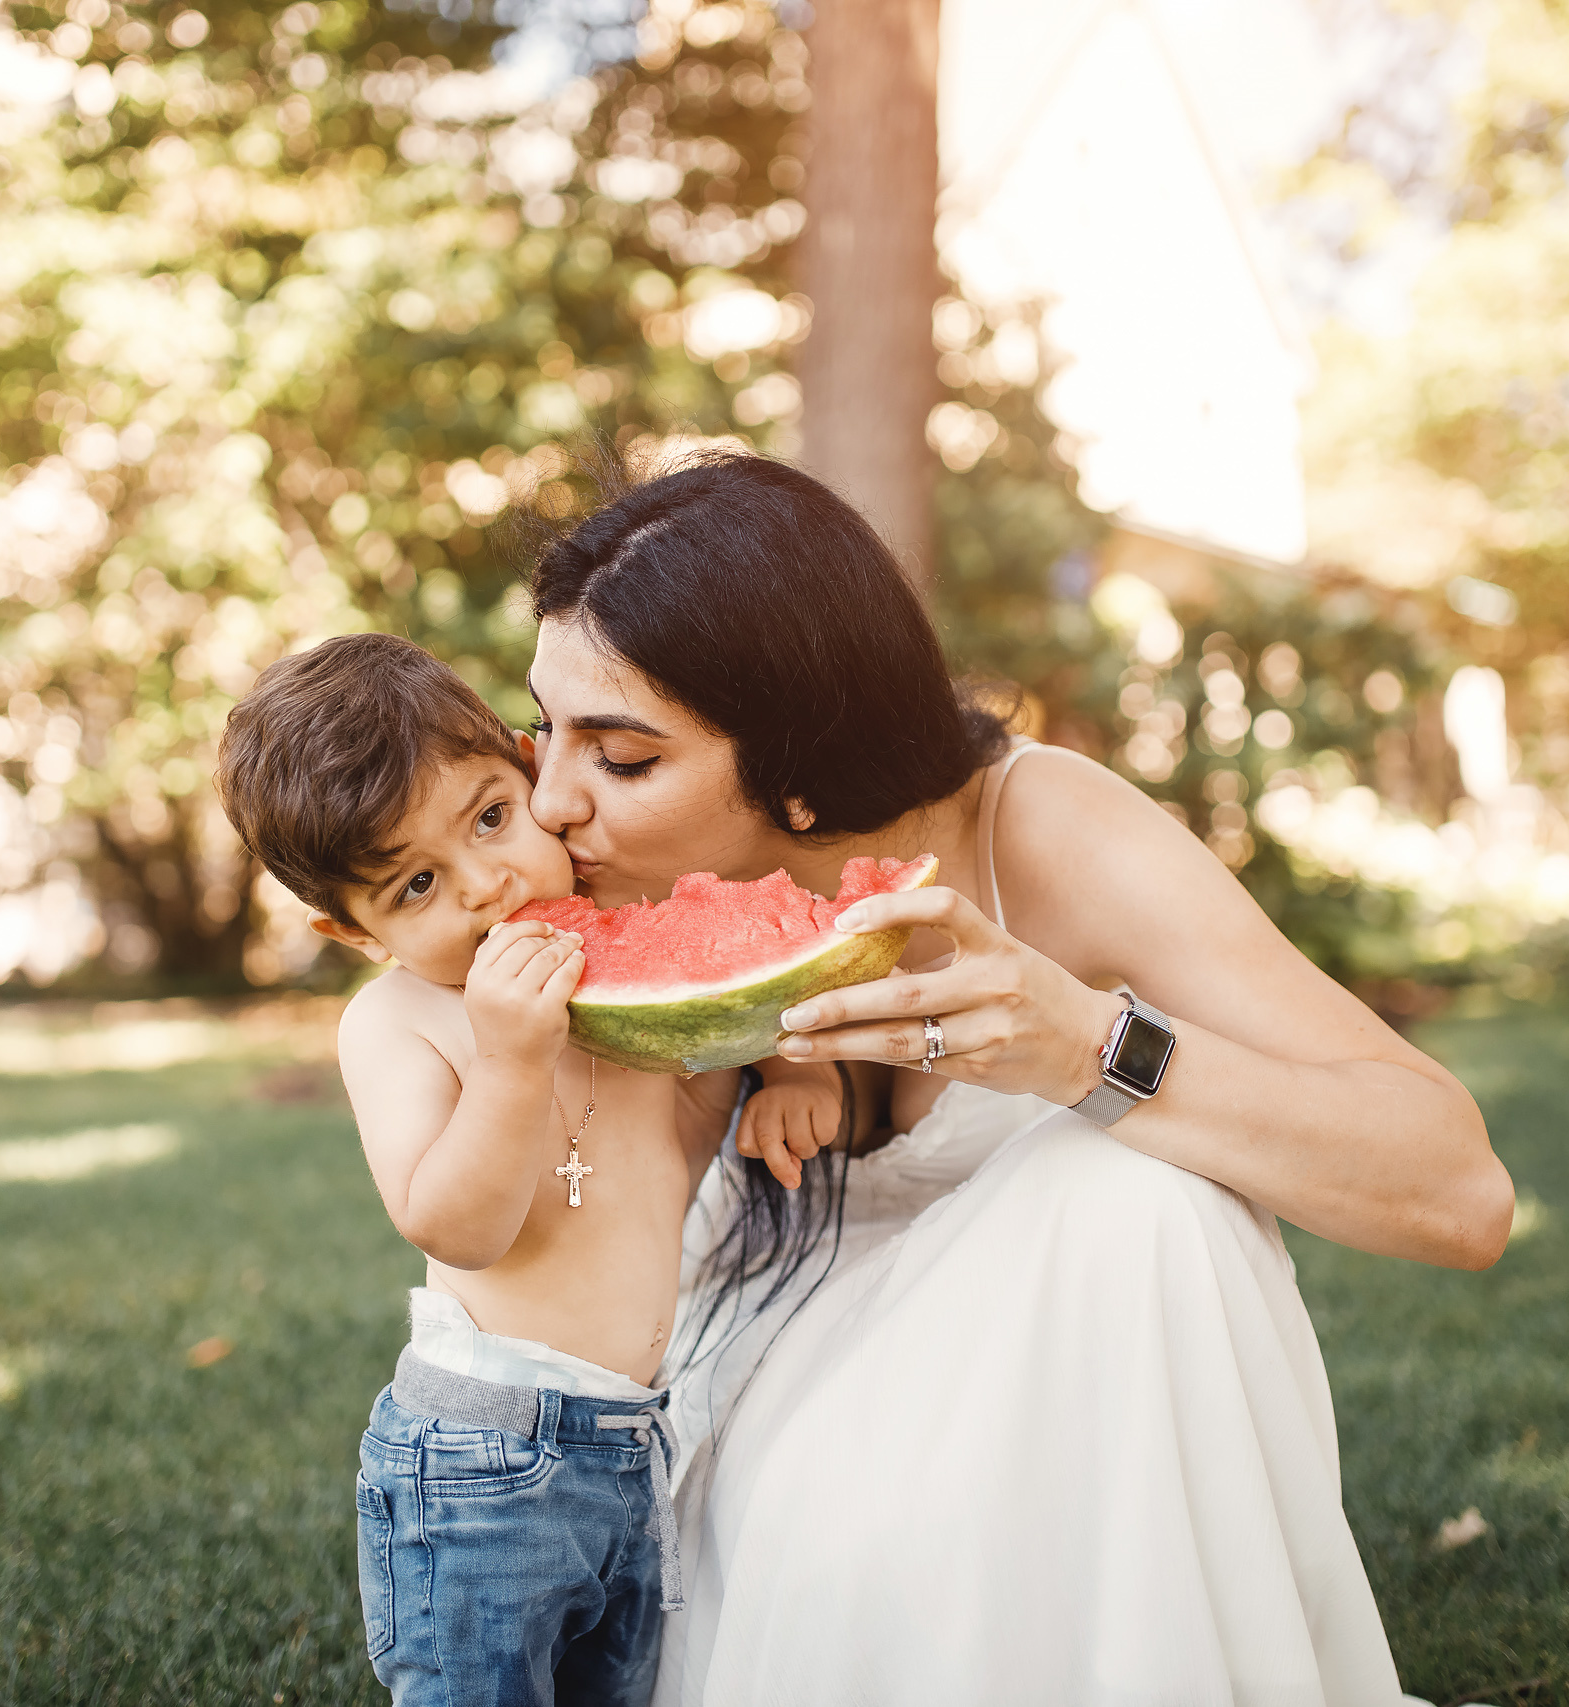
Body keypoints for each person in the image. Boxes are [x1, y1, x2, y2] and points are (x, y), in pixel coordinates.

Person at [515, 452, 1516, 1706]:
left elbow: (1459, 1192)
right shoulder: (569, 893)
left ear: (803, 766)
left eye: (620, 758)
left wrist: (1089, 1048)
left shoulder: (1041, 833)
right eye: (541, 731)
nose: (549, 802)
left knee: (1136, 1194)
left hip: (1040, 1443)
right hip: (759, 1430)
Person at [215, 633, 843, 1707]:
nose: (488, 888)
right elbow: (453, 1225)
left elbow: (733, 1005)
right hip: (480, 1461)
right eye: (416, 886)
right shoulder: (400, 1023)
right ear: (351, 931)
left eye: (491, 818)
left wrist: (796, 1070)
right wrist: (511, 1062)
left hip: (634, 1440)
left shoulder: (616, 949)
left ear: (524, 763)